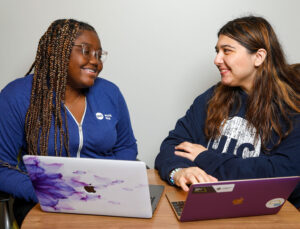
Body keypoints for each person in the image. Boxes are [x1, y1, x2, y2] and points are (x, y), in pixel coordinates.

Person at [0, 19, 137, 226]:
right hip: (45, 202)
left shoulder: (110, 93)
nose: (96, 62)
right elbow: (2, 165)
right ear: (56, 51)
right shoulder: (18, 95)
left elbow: (126, 147)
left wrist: (108, 187)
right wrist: (45, 191)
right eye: (86, 51)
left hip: (104, 199)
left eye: (99, 55)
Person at [155, 16, 300, 209]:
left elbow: (282, 174)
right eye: (217, 51)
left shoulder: (292, 106)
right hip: (209, 205)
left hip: (268, 213)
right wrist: (180, 171)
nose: (217, 60)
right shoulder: (211, 98)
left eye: (227, 51)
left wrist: (205, 158)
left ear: (259, 56)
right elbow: (172, 146)